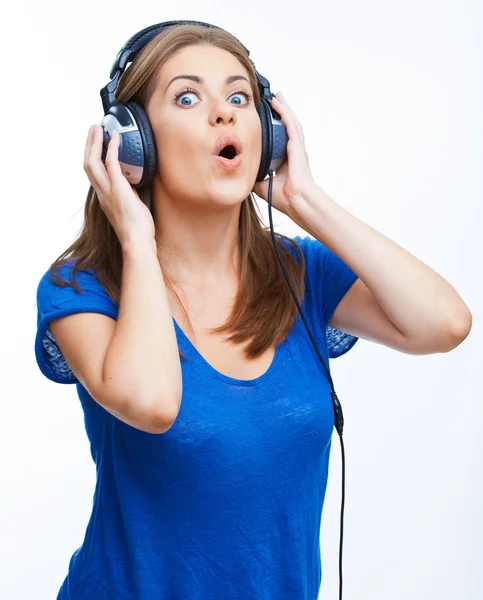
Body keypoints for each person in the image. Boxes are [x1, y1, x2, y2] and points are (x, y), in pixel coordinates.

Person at [35, 23, 472, 600]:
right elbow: (151, 403)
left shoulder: (303, 274)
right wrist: (136, 237)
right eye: (188, 98)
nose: (224, 114)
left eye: (239, 97)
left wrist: (303, 200)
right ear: (134, 141)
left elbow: (444, 324)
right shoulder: (83, 288)